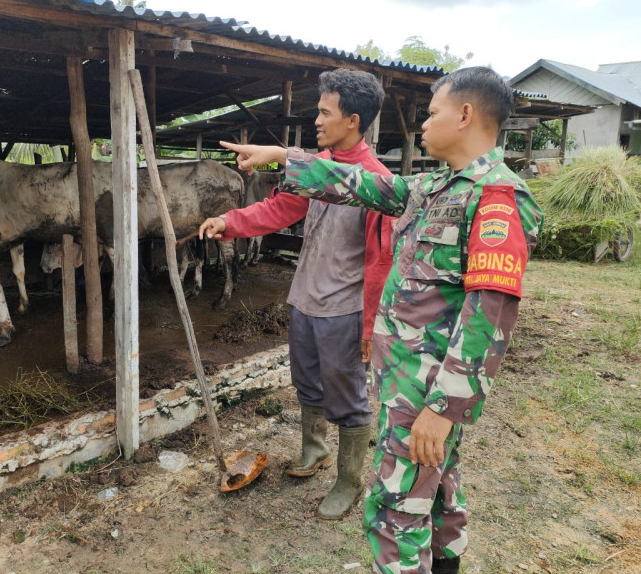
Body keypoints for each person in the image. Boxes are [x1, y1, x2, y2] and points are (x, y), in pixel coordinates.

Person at [218, 66, 544, 574]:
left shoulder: (495, 198)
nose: (422, 125)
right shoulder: (434, 187)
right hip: (405, 380)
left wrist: (442, 409)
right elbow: (355, 184)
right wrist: (286, 157)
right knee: (438, 489)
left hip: (426, 393)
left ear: (464, 115)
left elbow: (489, 317)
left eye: (432, 113)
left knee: (396, 510)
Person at [199, 69, 394, 520]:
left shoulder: (376, 182)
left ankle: (349, 481)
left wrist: (370, 326)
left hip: (343, 308)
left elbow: (380, 262)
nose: (318, 120)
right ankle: (314, 449)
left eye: (326, 112)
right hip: (305, 297)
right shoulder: (317, 170)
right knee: (306, 380)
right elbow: (282, 207)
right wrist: (232, 221)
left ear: (353, 119)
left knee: (346, 394)